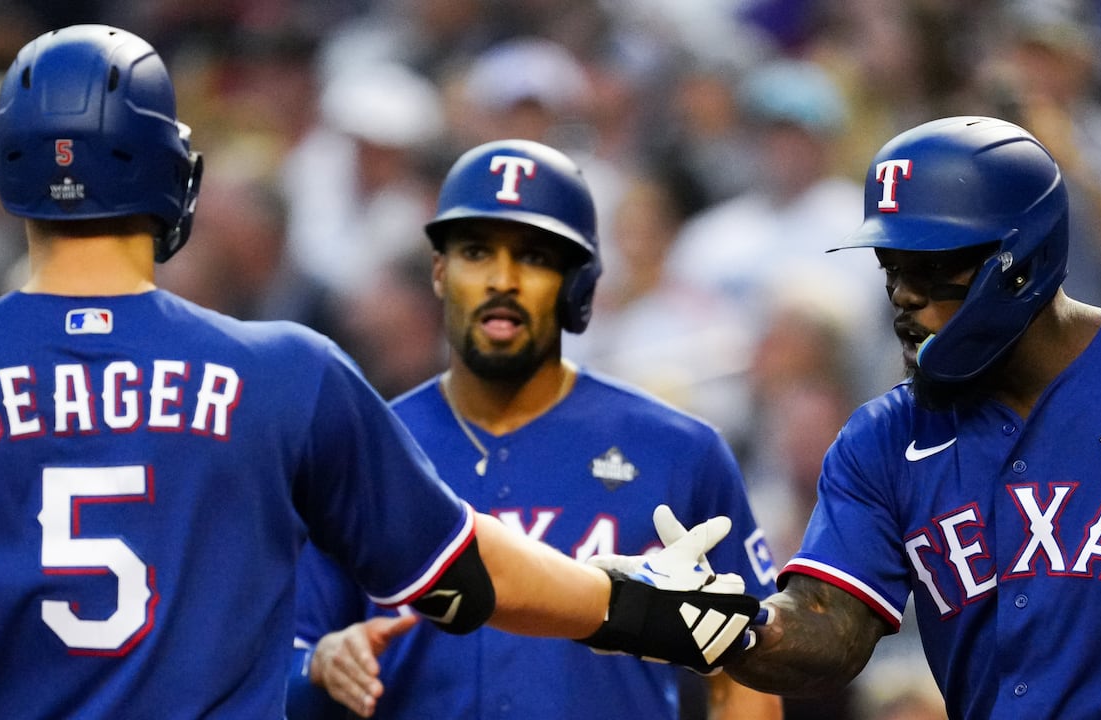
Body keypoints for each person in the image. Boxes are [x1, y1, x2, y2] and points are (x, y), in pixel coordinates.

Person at [0, 25, 762, 718]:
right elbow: (460, 572)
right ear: (168, 171)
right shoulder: (285, 371)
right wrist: (631, 599)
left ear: (7, 169)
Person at [724, 115, 1101, 718]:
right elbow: (827, 634)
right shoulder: (884, 438)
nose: (903, 293)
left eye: (931, 266)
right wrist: (726, 622)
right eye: (892, 266)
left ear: (1022, 261)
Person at [287, 139, 783, 720]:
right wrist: (321, 660)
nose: (503, 279)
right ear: (440, 271)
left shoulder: (679, 452)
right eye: (476, 252)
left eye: (534, 257)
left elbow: (749, 672)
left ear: (578, 283)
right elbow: (276, 666)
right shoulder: (365, 455)